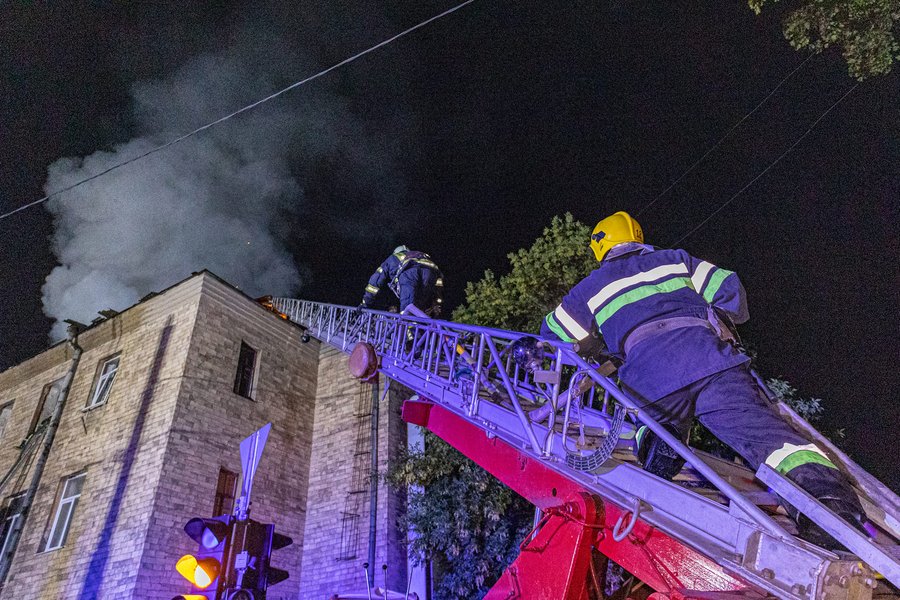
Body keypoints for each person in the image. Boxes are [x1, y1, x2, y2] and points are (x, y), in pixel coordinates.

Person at [540, 210, 867, 548]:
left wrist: (599, 345)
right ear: (637, 237)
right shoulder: (677, 260)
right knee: (773, 442)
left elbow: (554, 336)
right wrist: (714, 319)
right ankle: (830, 506)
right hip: (713, 363)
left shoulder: (588, 289)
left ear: (600, 247)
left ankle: (660, 446)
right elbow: (730, 290)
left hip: (651, 378)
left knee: (651, 431)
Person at [361, 245, 444, 316]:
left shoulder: (394, 258)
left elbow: (376, 279)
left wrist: (365, 303)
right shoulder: (418, 255)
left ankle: (409, 329)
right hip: (432, 273)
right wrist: (436, 302)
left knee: (406, 311)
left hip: (410, 272)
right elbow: (438, 285)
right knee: (418, 308)